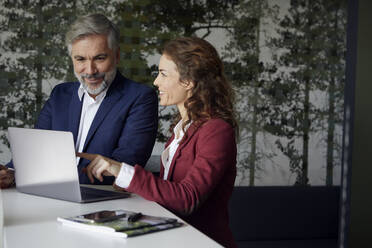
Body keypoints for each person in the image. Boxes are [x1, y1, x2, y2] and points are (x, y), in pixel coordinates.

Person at [77, 37, 238, 248]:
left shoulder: (216, 131)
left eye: (163, 74)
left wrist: (122, 170)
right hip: (172, 238)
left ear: (188, 81)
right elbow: (170, 189)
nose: (156, 82)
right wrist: (125, 182)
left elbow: (187, 198)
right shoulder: (182, 129)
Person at [0, 13, 158, 188]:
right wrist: (11, 174)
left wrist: (36, 175)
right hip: (49, 195)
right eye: (80, 59)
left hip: (106, 200)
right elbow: (36, 152)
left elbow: (124, 166)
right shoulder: (60, 94)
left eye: (99, 58)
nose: (90, 70)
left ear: (117, 56)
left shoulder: (140, 98)